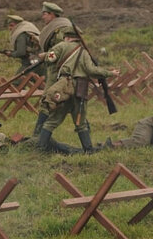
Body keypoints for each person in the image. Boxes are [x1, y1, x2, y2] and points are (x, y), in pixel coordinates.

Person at [38, 25, 119, 153]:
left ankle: (40, 149)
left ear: (67, 37)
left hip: (64, 87)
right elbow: (91, 70)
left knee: (52, 120)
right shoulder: (83, 52)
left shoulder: (60, 46)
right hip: (80, 88)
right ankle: (88, 150)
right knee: (80, 122)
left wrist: (45, 55)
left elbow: (49, 59)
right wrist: (110, 73)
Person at [32, 1, 71, 137]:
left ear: (53, 15)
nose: (43, 17)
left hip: (59, 71)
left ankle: (37, 136)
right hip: (57, 70)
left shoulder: (60, 30)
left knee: (46, 100)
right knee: (73, 105)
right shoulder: (55, 28)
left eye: (45, 14)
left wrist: (46, 55)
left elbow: (63, 50)